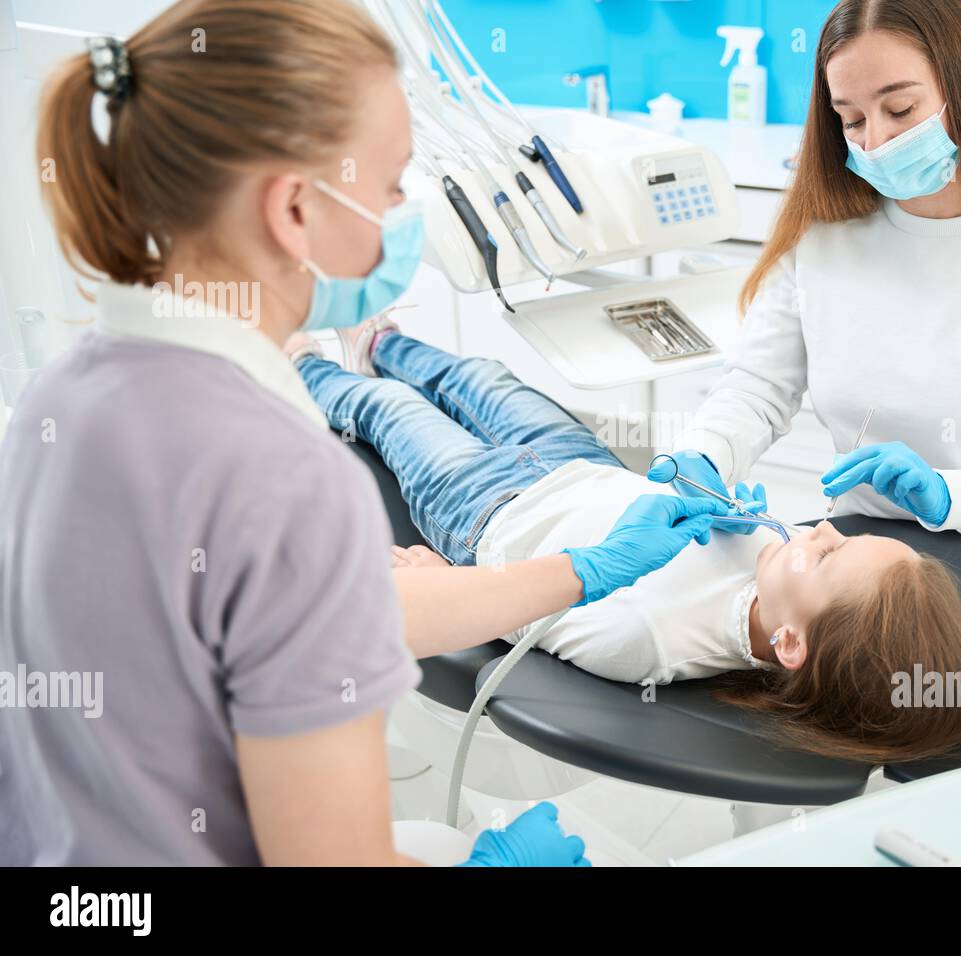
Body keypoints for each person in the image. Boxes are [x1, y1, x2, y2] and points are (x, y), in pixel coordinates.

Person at [0, 0, 727, 867]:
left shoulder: (62, 397)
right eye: (390, 184)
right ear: (294, 209)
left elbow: (305, 616)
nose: (400, 212)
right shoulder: (283, 475)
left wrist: (582, 570)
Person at [664, 0, 961, 732]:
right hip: (860, 578)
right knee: (773, 764)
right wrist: (703, 457)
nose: (877, 141)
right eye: (851, 120)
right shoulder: (826, 232)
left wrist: (954, 494)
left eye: (900, 107)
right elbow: (758, 387)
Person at [289, 317, 961, 762]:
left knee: (387, 407)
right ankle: (379, 340)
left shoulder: (648, 641)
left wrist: (444, 579)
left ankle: (303, 363)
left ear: (789, 644)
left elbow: (520, 616)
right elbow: (705, 505)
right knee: (479, 377)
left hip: (483, 509)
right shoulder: (769, 566)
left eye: (831, 554)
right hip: (575, 459)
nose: (827, 527)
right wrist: (709, 486)